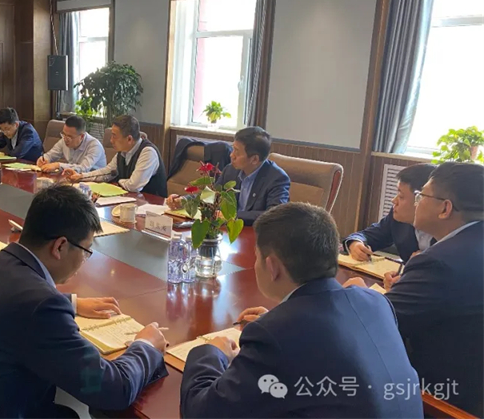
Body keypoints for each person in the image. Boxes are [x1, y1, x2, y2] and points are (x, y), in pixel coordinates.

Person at [0, 185, 168, 418]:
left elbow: (9, 300)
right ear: (60, 246)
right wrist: (145, 345)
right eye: (86, 251)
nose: (84, 260)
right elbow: (113, 389)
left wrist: (72, 303)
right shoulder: (41, 306)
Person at [180, 202, 422, 418]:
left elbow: (201, 412)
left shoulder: (275, 335)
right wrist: (278, 322)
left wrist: (211, 352)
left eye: (256, 256)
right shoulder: (377, 303)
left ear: (272, 266)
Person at [346, 162, 483, 415]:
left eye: (421, 196)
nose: (417, 202)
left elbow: (379, 324)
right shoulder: (473, 241)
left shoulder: (440, 261)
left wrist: (358, 294)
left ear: (445, 208)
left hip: (442, 394)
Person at [166, 126, 289, 225]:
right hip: (228, 232)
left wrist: (231, 216)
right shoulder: (230, 170)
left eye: (237, 152)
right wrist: (184, 200)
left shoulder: (277, 178)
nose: (231, 155)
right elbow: (212, 196)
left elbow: (274, 215)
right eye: (233, 149)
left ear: (254, 159)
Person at [343, 163, 436, 264]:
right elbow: (368, 235)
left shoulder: (444, 229)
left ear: (421, 200)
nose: (394, 201)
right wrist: (355, 243)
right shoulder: (398, 218)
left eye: (401, 196)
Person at [66, 115, 167, 197]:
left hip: (152, 206)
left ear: (129, 139)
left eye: (114, 136)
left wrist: (118, 181)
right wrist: (80, 177)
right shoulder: (123, 152)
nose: (111, 140)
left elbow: (134, 186)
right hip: (130, 201)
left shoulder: (148, 152)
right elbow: (107, 172)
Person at [37, 115, 106, 173]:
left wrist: (58, 165)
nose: (65, 139)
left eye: (69, 136)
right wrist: (44, 159)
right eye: (64, 134)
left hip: (94, 181)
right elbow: (51, 155)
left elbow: (83, 168)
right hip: (74, 178)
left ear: (82, 136)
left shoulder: (95, 146)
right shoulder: (64, 140)